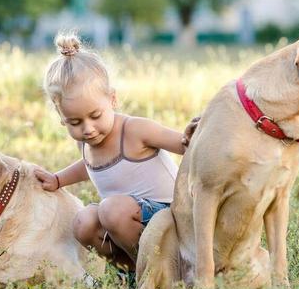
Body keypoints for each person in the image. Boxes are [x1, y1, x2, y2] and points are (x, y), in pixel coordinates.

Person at [34, 31, 198, 273]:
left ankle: (165, 270)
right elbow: (91, 166)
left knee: (110, 210)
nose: (88, 129)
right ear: (62, 118)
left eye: (95, 116)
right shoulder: (87, 142)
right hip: (126, 219)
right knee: (83, 222)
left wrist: (194, 136)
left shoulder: (135, 130)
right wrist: (58, 179)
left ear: (112, 99)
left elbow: (186, 146)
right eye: (75, 122)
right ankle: (133, 271)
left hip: (172, 218)